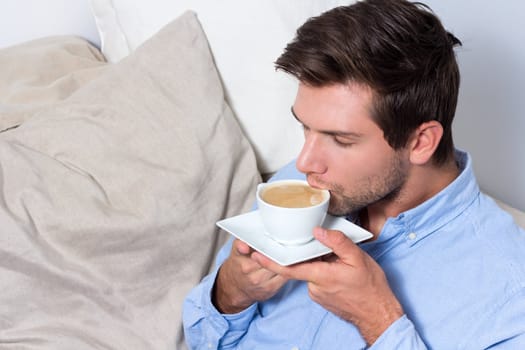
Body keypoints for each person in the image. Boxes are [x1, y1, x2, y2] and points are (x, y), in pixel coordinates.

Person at [182, 0, 525, 348]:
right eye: (305, 127)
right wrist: (229, 294)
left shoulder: (510, 295)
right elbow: (201, 338)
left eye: (341, 140)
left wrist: (378, 320)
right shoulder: (301, 188)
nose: (304, 163)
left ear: (421, 142)